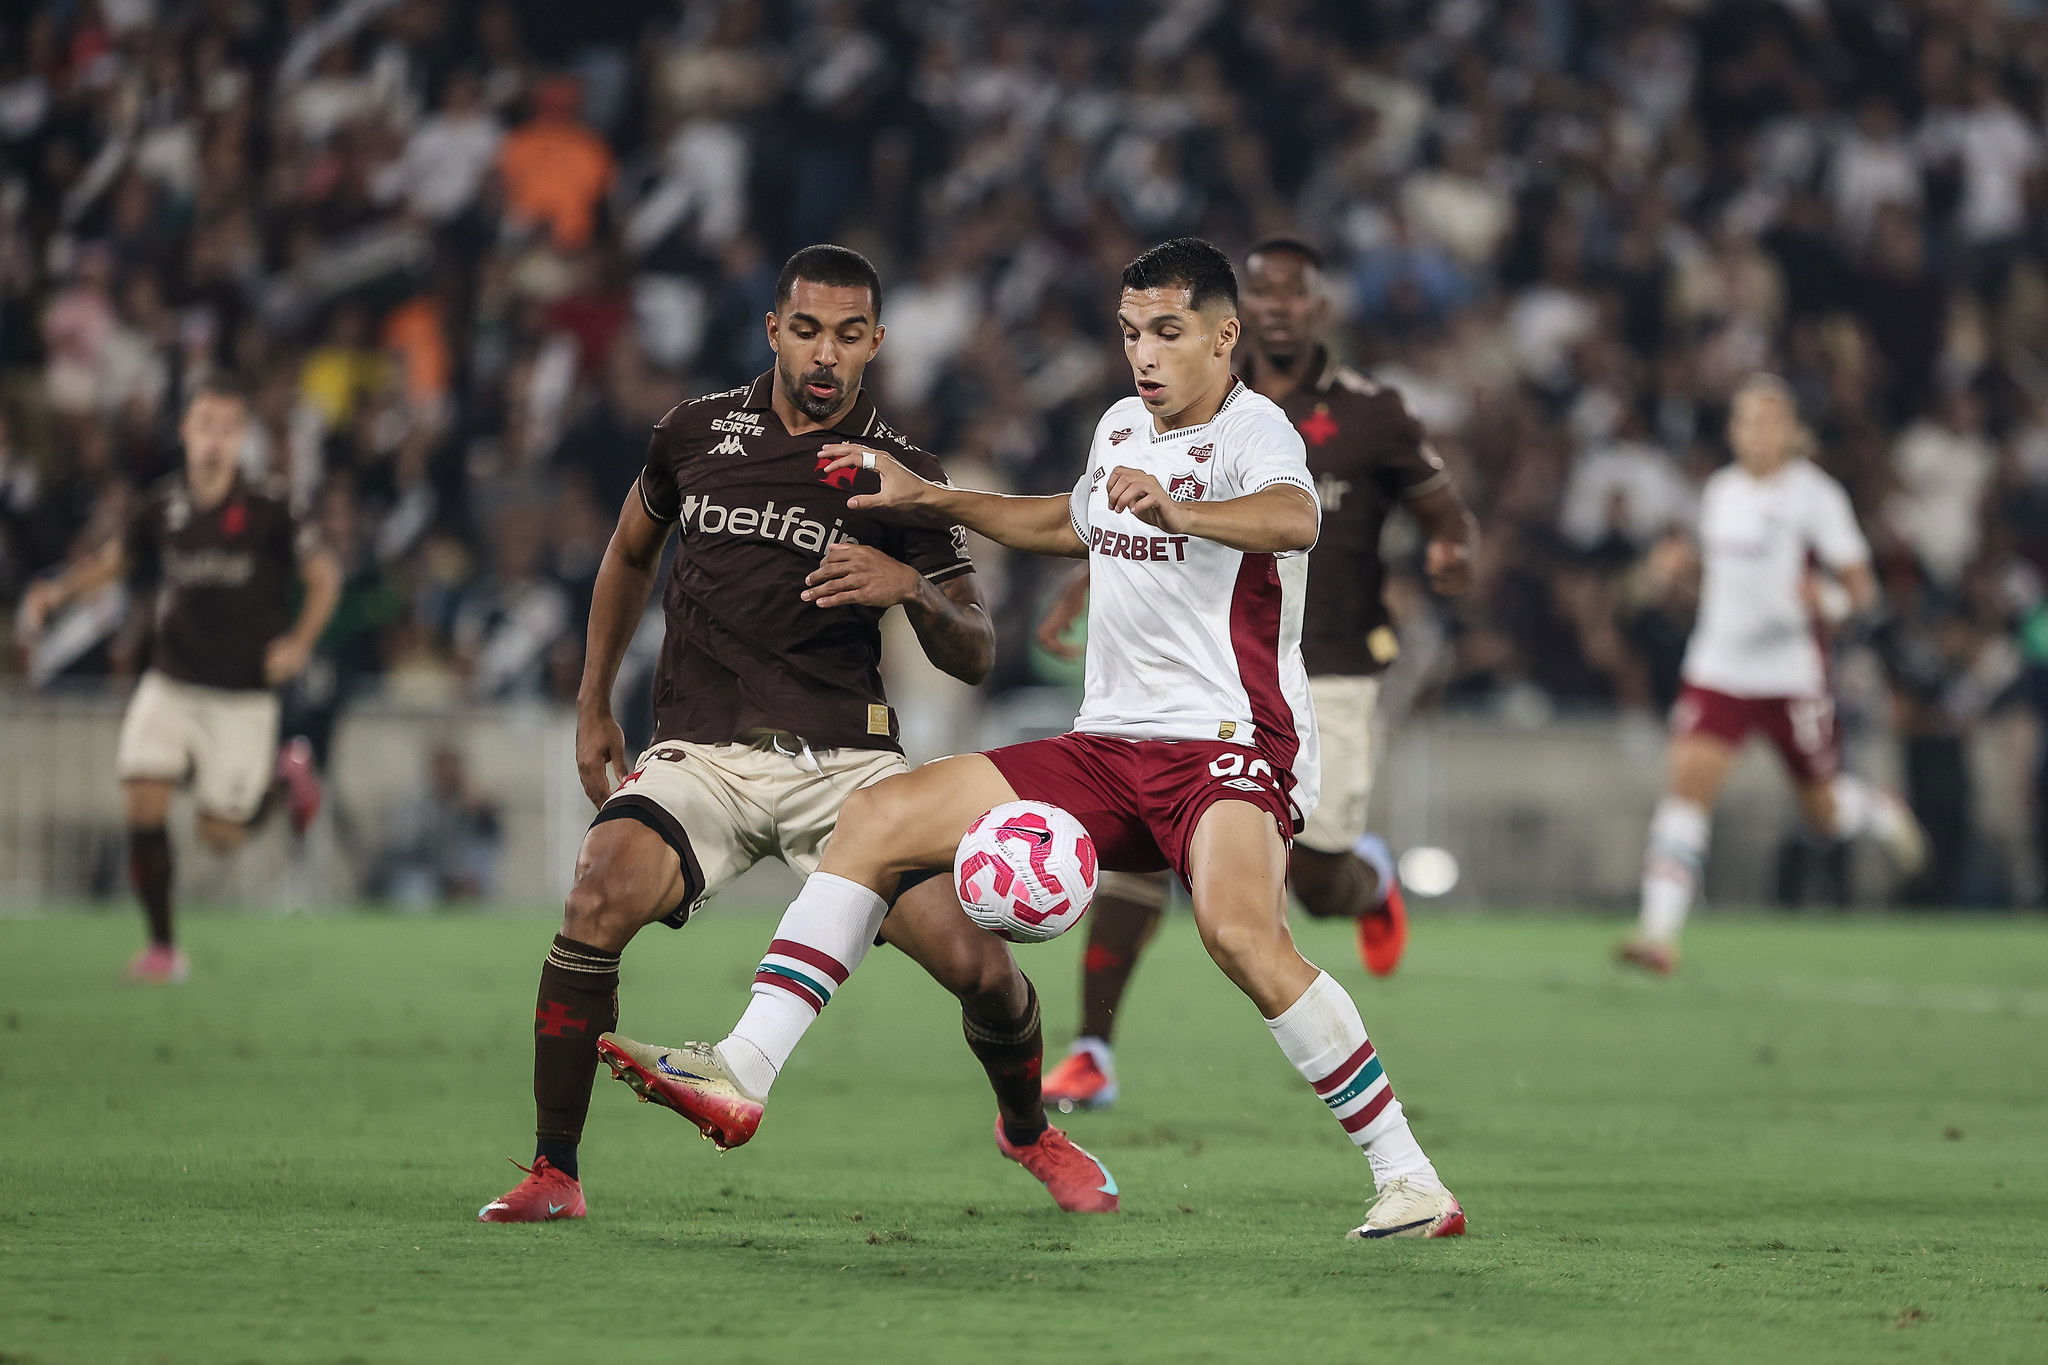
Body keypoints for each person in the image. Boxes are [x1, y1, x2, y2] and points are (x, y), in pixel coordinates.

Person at [604, 238, 1467, 1240]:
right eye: (1131, 332)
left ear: (1223, 335)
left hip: (1228, 743)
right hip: (1106, 745)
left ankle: (1409, 1178)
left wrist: (1181, 507)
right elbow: (1069, 520)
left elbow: (1294, 517)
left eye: (1168, 332)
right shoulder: (1119, 426)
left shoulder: (1254, 428)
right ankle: (744, 1066)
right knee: (877, 816)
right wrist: (928, 498)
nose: (1144, 354)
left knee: (1239, 935)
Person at [478, 245, 1118, 1224]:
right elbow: (628, 554)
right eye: (808, 330)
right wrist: (593, 698)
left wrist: (910, 589)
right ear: (773, 328)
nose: (826, 354)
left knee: (981, 967)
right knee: (595, 895)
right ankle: (553, 1170)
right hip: (703, 754)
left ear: (876, 342)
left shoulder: (901, 473)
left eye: (848, 335)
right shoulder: (693, 432)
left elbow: (975, 650)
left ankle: (1028, 1130)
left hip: (849, 769)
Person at [1031, 235, 1477, 1113]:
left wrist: (1450, 547)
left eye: (1292, 293)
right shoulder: (1179, 390)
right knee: (1137, 843)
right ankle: (1092, 1048)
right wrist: (1085, 581)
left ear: (1317, 307)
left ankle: (1368, 884)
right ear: (1239, 317)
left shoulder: (1367, 412)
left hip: (1328, 663)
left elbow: (1438, 505)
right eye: (1263, 291)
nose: (1278, 306)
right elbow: (1136, 515)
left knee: (1312, 880)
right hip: (1199, 665)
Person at [19, 375, 338, 982]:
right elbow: (115, 562)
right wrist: (57, 592)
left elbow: (324, 576)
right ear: (187, 432)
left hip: (242, 696)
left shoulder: (272, 506)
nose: (215, 439)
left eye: (228, 428)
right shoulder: (161, 506)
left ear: (241, 438)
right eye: (205, 426)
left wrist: (299, 643)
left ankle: (283, 777)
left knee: (220, 836)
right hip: (170, 682)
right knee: (143, 797)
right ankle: (163, 948)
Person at [1619, 375, 1926, 975]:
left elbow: (1862, 591)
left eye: (1765, 422)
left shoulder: (1817, 497)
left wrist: (1826, 600)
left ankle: (1876, 808)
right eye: (1743, 421)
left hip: (1791, 677)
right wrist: (1678, 572)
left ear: (1790, 432)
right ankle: (1658, 934)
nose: (1752, 433)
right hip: (1718, 669)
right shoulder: (1721, 492)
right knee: (1685, 794)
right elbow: (1723, 580)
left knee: (1823, 814)